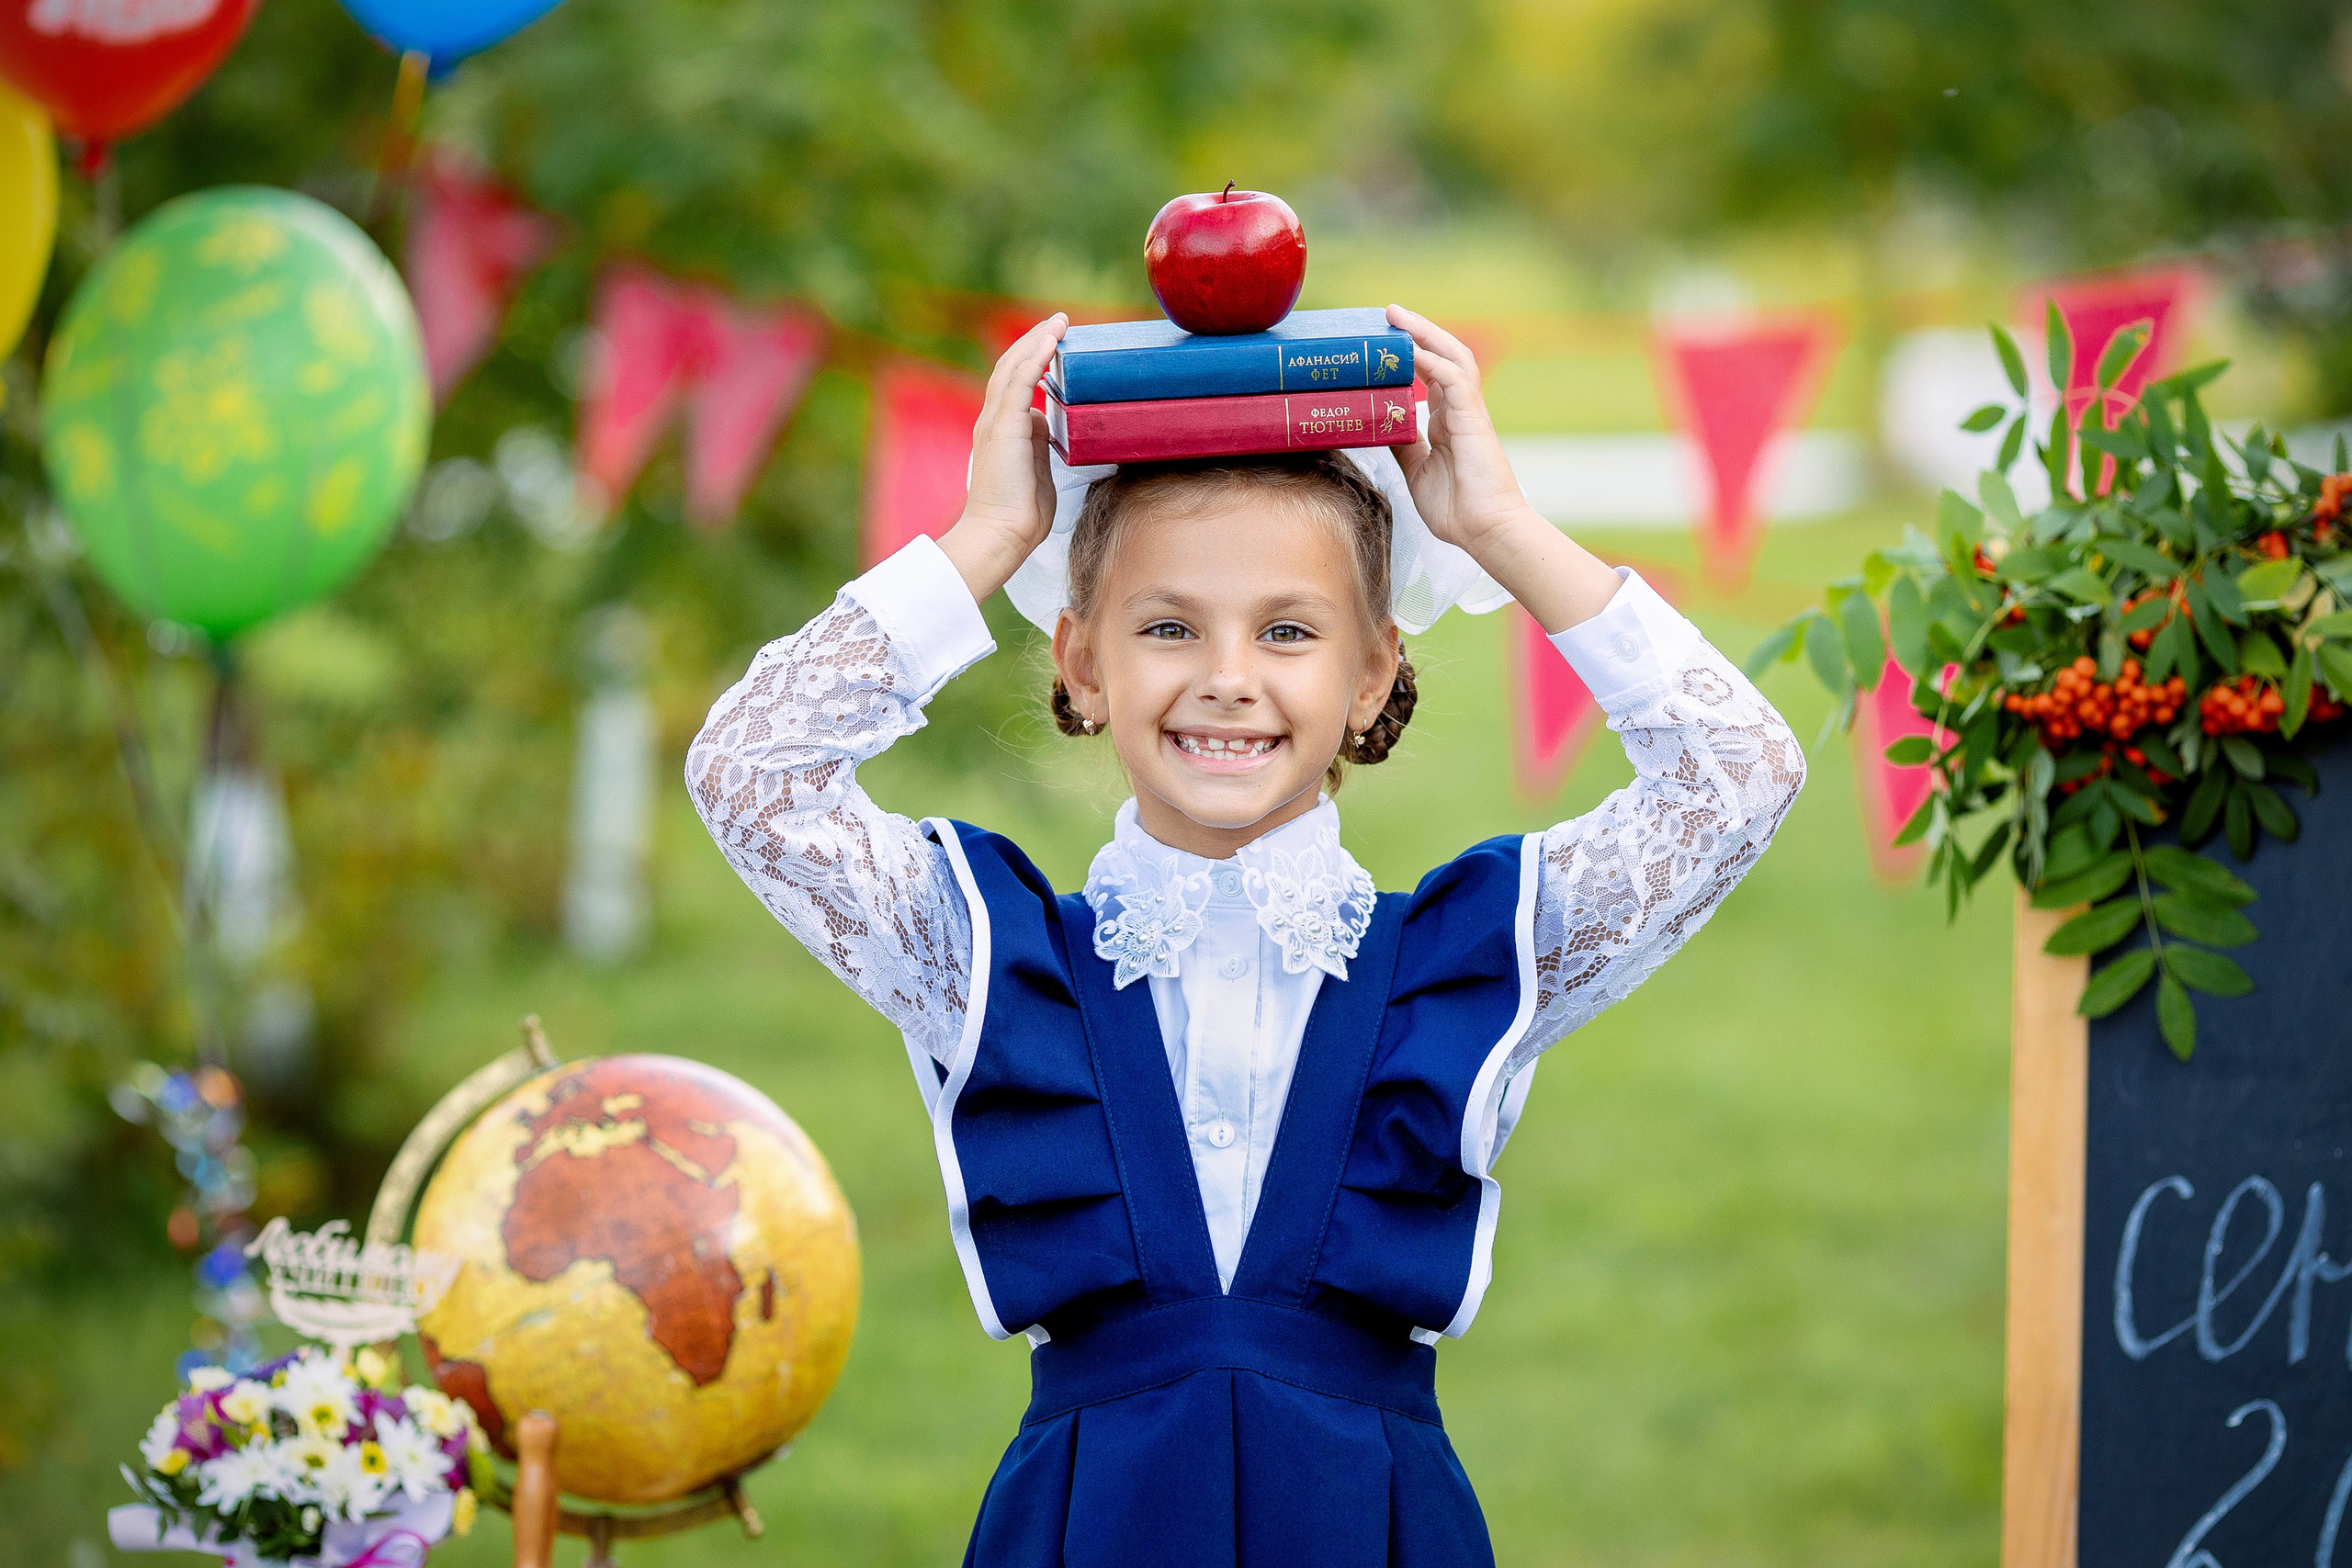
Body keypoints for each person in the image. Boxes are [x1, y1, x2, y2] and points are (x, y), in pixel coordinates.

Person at [687, 306, 1804, 1566]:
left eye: (1288, 630)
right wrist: (988, 537)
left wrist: (1498, 528)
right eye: (1169, 627)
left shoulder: (1471, 961)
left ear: (1372, 674)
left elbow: (1740, 774)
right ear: (1082, 663)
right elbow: (749, 772)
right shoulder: (985, 959)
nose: (1228, 676)